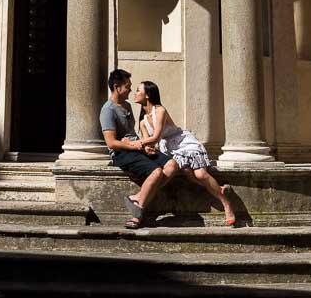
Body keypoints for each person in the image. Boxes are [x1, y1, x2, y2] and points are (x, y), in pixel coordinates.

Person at [134, 80, 236, 227]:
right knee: (188, 173)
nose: (135, 94)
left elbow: (155, 137)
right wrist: (147, 148)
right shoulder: (143, 122)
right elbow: (150, 142)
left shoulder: (160, 110)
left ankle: (227, 204)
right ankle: (219, 189)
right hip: (170, 148)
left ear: (148, 94)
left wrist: (139, 143)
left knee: (200, 174)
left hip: (183, 143)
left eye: (138, 90)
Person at [100, 69, 179, 229]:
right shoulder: (108, 110)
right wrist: (133, 145)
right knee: (156, 172)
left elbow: (132, 135)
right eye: (127, 86)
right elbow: (111, 143)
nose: (130, 89)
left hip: (137, 148)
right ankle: (139, 213)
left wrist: (144, 146)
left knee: (172, 165)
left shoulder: (127, 105)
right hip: (122, 153)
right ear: (117, 87)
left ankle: (138, 198)